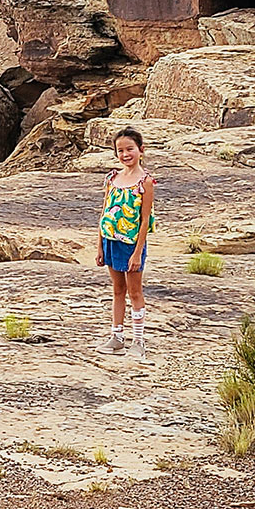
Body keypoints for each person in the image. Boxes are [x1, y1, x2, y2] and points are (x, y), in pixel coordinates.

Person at [99, 126, 154, 357]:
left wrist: (137, 252)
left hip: (131, 244)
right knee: (117, 290)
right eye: (120, 150)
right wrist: (100, 246)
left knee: (135, 292)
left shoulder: (146, 182)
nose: (125, 154)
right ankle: (117, 336)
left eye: (130, 149)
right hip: (111, 241)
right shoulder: (112, 178)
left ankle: (139, 341)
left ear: (140, 150)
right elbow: (104, 213)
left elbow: (145, 220)